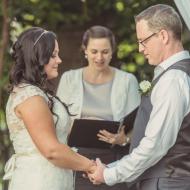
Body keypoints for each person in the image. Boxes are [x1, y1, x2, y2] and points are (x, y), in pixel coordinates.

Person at [88, 4, 190, 190]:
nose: (140, 48)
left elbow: (155, 145)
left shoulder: (173, 80)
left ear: (163, 36)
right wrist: (111, 168)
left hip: (168, 183)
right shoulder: (180, 74)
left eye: (143, 41)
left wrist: (109, 174)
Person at [3, 27, 96, 190]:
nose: (59, 60)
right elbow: (52, 150)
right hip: (38, 182)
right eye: (53, 55)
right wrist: (91, 166)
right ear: (37, 57)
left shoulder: (38, 93)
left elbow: (57, 134)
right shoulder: (30, 96)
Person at [56, 25, 140, 190]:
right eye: (94, 52)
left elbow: (137, 126)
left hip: (115, 162)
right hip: (77, 161)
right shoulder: (69, 79)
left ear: (113, 51)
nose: (99, 57)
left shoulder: (127, 81)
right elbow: (58, 122)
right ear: (85, 50)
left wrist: (123, 140)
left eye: (105, 52)